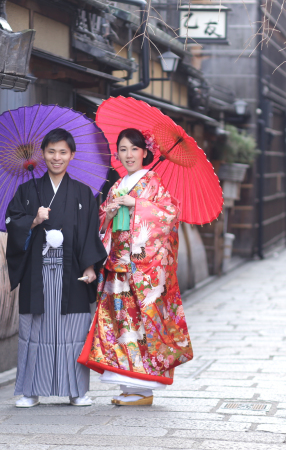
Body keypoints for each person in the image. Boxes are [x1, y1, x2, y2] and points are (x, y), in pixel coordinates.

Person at [78, 128, 193, 406]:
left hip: (141, 272)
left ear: (145, 153)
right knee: (121, 325)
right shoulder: (117, 185)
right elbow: (102, 220)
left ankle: (144, 388)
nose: (128, 155)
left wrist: (137, 204)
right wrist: (110, 212)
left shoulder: (153, 182)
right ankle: (131, 386)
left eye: (134, 149)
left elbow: (168, 215)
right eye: (123, 149)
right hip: (116, 266)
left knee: (140, 326)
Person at [4, 128, 107, 408]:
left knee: (73, 333)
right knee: (33, 334)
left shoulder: (83, 193)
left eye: (63, 152)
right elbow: (12, 224)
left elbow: (89, 232)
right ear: (43, 154)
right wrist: (34, 220)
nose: (57, 157)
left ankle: (77, 391)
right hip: (37, 274)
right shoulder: (27, 191)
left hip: (71, 274)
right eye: (51, 151)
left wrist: (90, 267)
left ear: (72, 155)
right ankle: (30, 391)